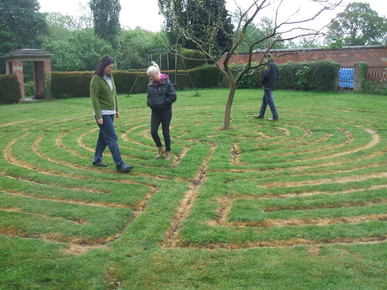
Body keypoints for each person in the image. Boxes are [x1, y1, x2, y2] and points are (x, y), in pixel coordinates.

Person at [90, 56, 133, 173]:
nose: (111, 69)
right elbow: (94, 98)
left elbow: (114, 94)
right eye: (109, 67)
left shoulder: (110, 77)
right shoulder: (96, 79)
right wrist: (98, 116)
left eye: (112, 67)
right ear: (103, 67)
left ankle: (97, 159)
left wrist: (116, 109)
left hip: (111, 112)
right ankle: (120, 164)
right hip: (102, 113)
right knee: (112, 137)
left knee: (103, 138)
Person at [146, 61, 177, 160]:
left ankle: (168, 151)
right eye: (149, 77)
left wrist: (164, 103)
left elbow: (173, 96)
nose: (150, 78)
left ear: (156, 74)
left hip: (166, 111)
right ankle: (160, 149)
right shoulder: (150, 85)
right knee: (153, 131)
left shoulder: (167, 83)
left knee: (165, 132)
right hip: (155, 112)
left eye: (151, 76)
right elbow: (149, 97)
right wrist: (150, 103)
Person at [256, 53, 279, 121]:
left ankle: (275, 116)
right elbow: (278, 74)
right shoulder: (275, 65)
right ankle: (261, 114)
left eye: (264, 58)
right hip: (272, 84)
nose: (263, 60)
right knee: (264, 101)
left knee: (270, 101)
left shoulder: (268, 65)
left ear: (267, 58)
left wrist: (262, 82)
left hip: (267, 85)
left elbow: (265, 75)